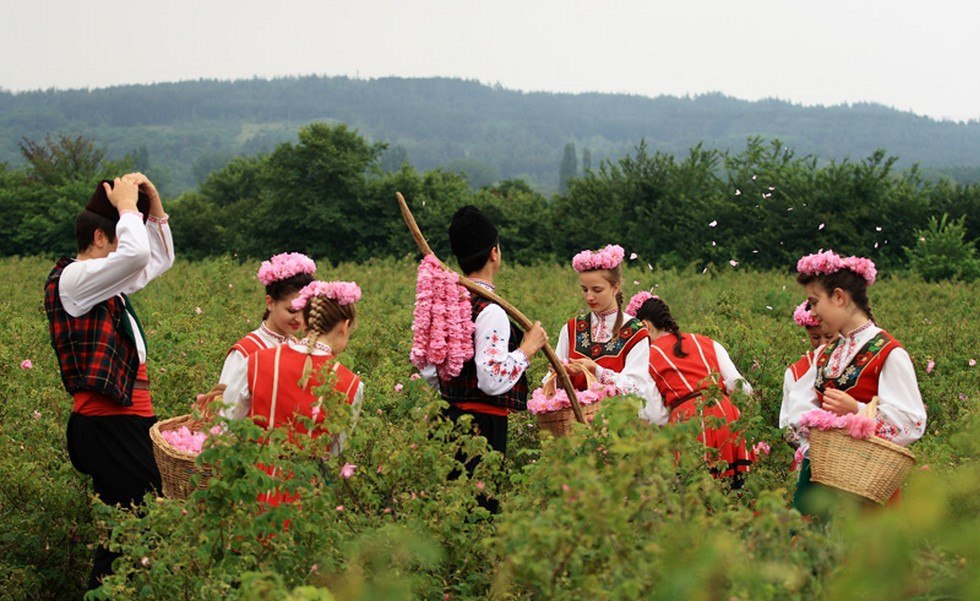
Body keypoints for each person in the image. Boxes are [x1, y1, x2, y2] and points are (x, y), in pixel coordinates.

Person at [44, 173, 174, 590]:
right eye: (118, 237)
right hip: (106, 423)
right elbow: (136, 256)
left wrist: (151, 205)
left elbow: (154, 259)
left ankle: (116, 592)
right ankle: (105, 594)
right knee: (132, 525)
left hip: (124, 422)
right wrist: (125, 209)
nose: (124, 248)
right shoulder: (75, 281)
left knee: (134, 522)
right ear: (101, 237)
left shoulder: (103, 283)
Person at [422, 205, 548, 512]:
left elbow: (429, 369)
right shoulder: (491, 311)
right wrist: (527, 349)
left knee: (452, 507)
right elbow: (492, 381)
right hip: (483, 428)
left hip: (448, 421)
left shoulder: (450, 302)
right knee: (478, 513)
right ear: (495, 253)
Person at [790, 250, 926, 514]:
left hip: (866, 485)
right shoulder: (826, 353)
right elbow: (797, 407)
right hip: (822, 478)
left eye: (815, 302)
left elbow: (911, 422)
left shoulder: (888, 352)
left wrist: (857, 410)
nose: (813, 312)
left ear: (839, 297)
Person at [222, 280, 364, 509]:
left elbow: (228, 424)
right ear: (345, 326)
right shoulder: (351, 385)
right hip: (308, 490)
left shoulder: (257, 361)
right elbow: (336, 448)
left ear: (307, 319)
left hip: (252, 484)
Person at [628, 292, 755, 482]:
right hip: (728, 415)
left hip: (690, 421)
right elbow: (741, 387)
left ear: (645, 326)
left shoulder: (648, 358)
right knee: (737, 488)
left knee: (697, 492)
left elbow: (656, 416)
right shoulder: (707, 342)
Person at [551, 245, 657, 421]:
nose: (589, 297)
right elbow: (550, 383)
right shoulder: (571, 329)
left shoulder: (635, 332)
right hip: (574, 429)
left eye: (597, 290)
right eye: (585, 289)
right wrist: (561, 374)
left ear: (615, 287)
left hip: (618, 429)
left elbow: (637, 390)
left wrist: (597, 370)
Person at [217, 252, 316, 416]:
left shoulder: (300, 348)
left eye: (306, 311)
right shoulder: (245, 351)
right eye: (291, 310)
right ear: (270, 303)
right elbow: (224, 412)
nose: (299, 318)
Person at [779, 300, 835, 467]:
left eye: (830, 336)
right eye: (816, 337)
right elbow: (786, 424)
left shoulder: (851, 363)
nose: (824, 344)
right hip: (808, 455)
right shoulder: (795, 372)